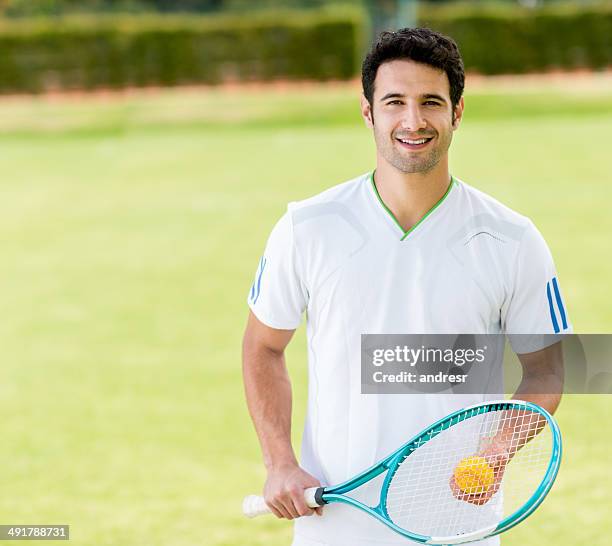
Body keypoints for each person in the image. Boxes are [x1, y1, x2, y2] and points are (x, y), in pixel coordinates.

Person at [242, 27, 569, 546]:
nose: (412, 121)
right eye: (394, 102)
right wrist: (280, 461)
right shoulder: (307, 228)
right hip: (335, 529)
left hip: (461, 530)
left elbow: (547, 368)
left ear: (457, 112)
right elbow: (262, 346)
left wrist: (495, 452)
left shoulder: (513, 239)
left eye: (430, 103)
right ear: (368, 112)